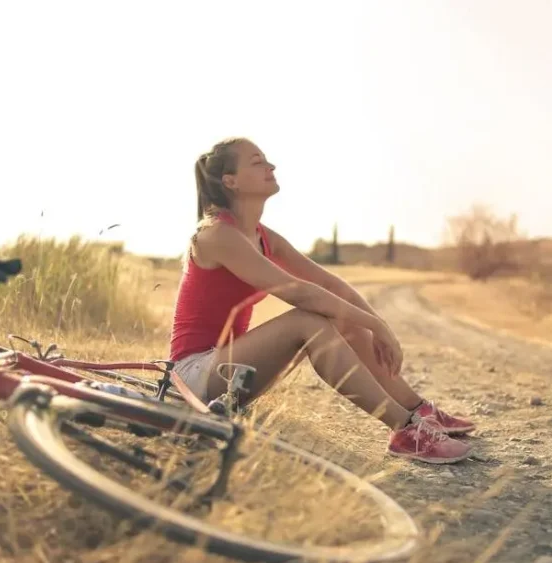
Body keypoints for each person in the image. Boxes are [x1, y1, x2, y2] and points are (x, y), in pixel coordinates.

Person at [168, 137, 475, 464]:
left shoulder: (262, 236)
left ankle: (418, 410)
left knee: (342, 317)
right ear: (230, 181)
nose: (271, 166)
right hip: (193, 376)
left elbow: (328, 282)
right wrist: (374, 325)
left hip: (231, 374)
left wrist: (377, 325)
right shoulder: (216, 234)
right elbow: (298, 291)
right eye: (257, 162)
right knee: (308, 319)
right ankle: (405, 430)